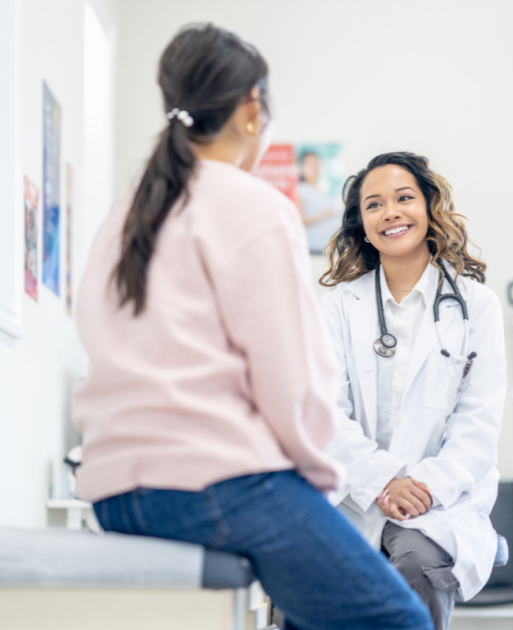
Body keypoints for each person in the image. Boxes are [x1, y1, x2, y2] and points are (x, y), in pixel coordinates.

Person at [72, 25, 431, 630]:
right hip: (217, 486)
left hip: (113, 493)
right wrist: (318, 487)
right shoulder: (254, 205)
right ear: (252, 108)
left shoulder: (126, 212)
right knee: (401, 620)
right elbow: (291, 385)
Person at [319, 152, 506, 630]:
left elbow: (477, 425)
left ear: (429, 207)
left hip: (438, 502)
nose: (391, 213)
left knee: (417, 567)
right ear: (361, 224)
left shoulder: (476, 306)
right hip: (352, 493)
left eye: (404, 198)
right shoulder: (337, 307)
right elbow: (323, 413)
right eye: (374, 205)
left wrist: (419, 490)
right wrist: (382, 481)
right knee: (312, 578)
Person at [297, 151, 339, 253]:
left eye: (317, 163)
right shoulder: (301, 190)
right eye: (311, 164)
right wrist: (326, 214)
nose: (315, 167)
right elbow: (299, 220)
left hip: (328, 246)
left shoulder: (321, 189)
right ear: (302, 167)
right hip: (313, 247)